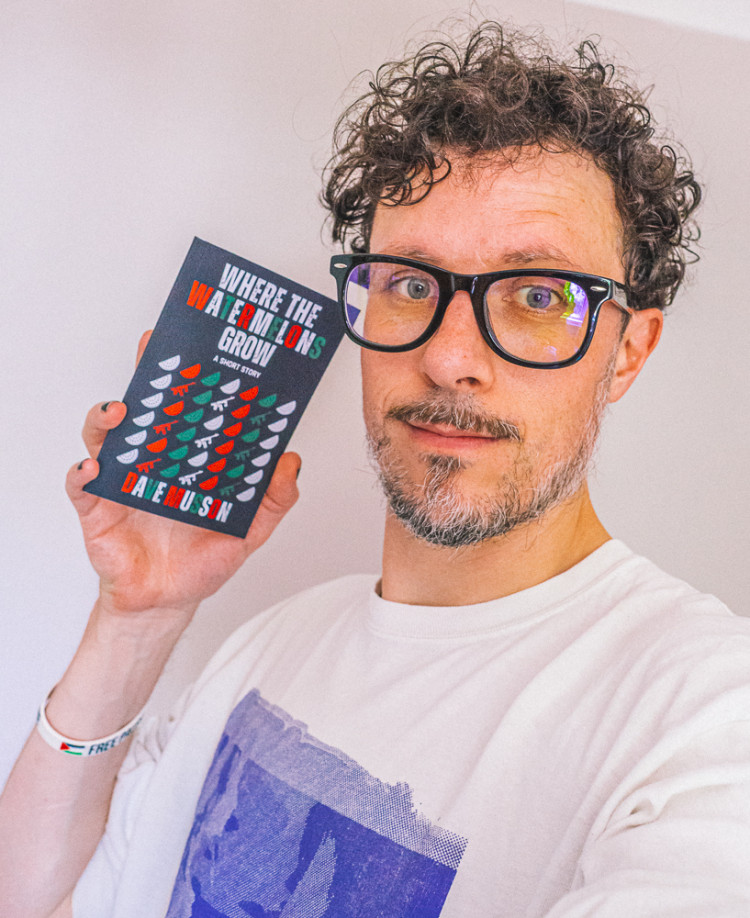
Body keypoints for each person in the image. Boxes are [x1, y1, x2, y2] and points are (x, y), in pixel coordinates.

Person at [2, 20, 750, 918]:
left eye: (540, 295)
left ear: (628, 351)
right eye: (408, 283)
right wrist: (139, 619)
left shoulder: (705, 716)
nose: (450, 359)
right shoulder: (271, 645)